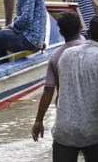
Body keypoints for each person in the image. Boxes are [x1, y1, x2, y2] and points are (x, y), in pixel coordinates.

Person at [32, 16, 98, 162]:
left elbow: (50, 89)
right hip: (92, 131)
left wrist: (38, 120)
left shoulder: (65, 55)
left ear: (88, 32)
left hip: (64, 130)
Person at [31, 11, 86, 143]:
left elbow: (48, 91)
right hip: (89, 113)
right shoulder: (90, 50)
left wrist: (38, 121)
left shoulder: (55, 56)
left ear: (60, 33)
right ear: (81, 28)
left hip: (64, 113)